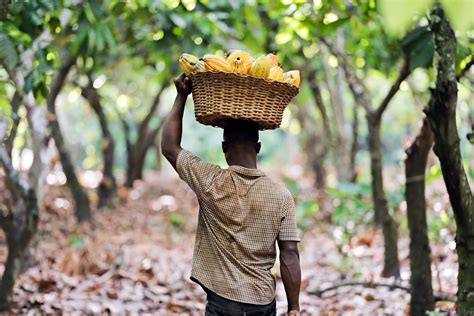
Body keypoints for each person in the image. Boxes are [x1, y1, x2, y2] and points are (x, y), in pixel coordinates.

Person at [161, 74, 301, 316]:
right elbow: (289, 254)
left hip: (223, 303)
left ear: (224, 148)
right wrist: (294, 309)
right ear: (258, 148)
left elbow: (170, 148)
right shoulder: (281, 195)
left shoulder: (209, 181)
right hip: (263, 302)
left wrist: (181, 95)